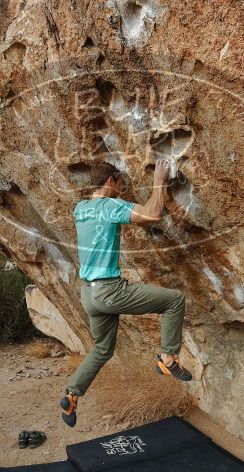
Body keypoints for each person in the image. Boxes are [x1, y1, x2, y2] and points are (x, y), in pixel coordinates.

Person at [60, 159, 192, 427]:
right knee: (174, 300)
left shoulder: (80, 208)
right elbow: (152, 214)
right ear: (110, 181)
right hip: (110, 291)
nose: (122, 189)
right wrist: (159, 182)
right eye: (120, 183)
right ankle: (168, 358)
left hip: (89, 295)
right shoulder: (110, 206)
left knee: (102, 349)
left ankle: (72, 395)